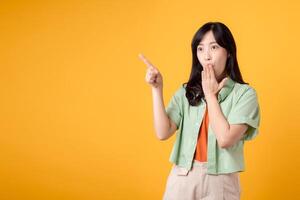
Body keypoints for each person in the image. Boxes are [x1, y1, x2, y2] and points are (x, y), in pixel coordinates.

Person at [139, 21, 260, 200]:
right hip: (183, 177)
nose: (206, 56)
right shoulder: (186, 92)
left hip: (221, 182)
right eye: (200, 49)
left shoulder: (244, 94)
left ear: (229, 53)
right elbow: (162, 132)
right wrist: (157, 89)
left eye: (214, 47)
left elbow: (225, 139)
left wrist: (210, 95)